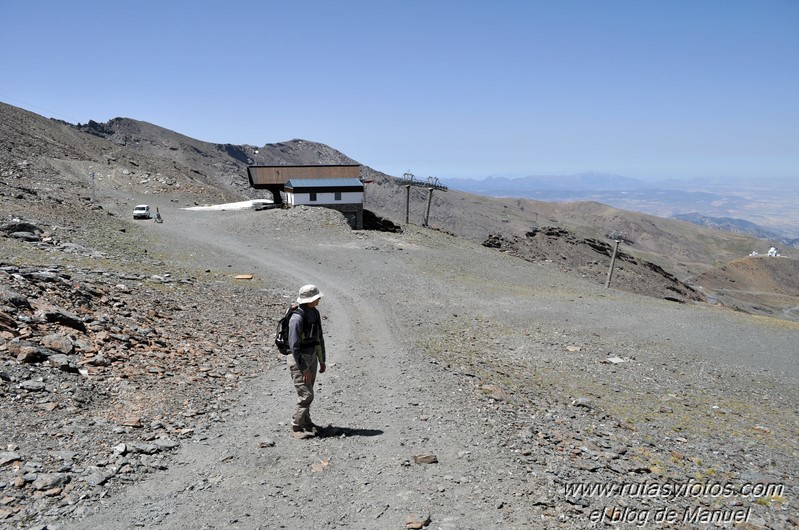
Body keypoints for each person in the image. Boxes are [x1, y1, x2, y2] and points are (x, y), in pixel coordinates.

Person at [287, 284, 327, 439]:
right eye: (317, 298)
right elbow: (294, 345)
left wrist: (322, 360)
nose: (319, 300)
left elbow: (319, 337)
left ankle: (307, 422)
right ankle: (296, 427)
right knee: (306, 395)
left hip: (312, 358)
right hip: (300, 361)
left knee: (309, 391)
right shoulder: (297, 318)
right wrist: (303, 368)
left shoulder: (314, 313)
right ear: (310, 300)